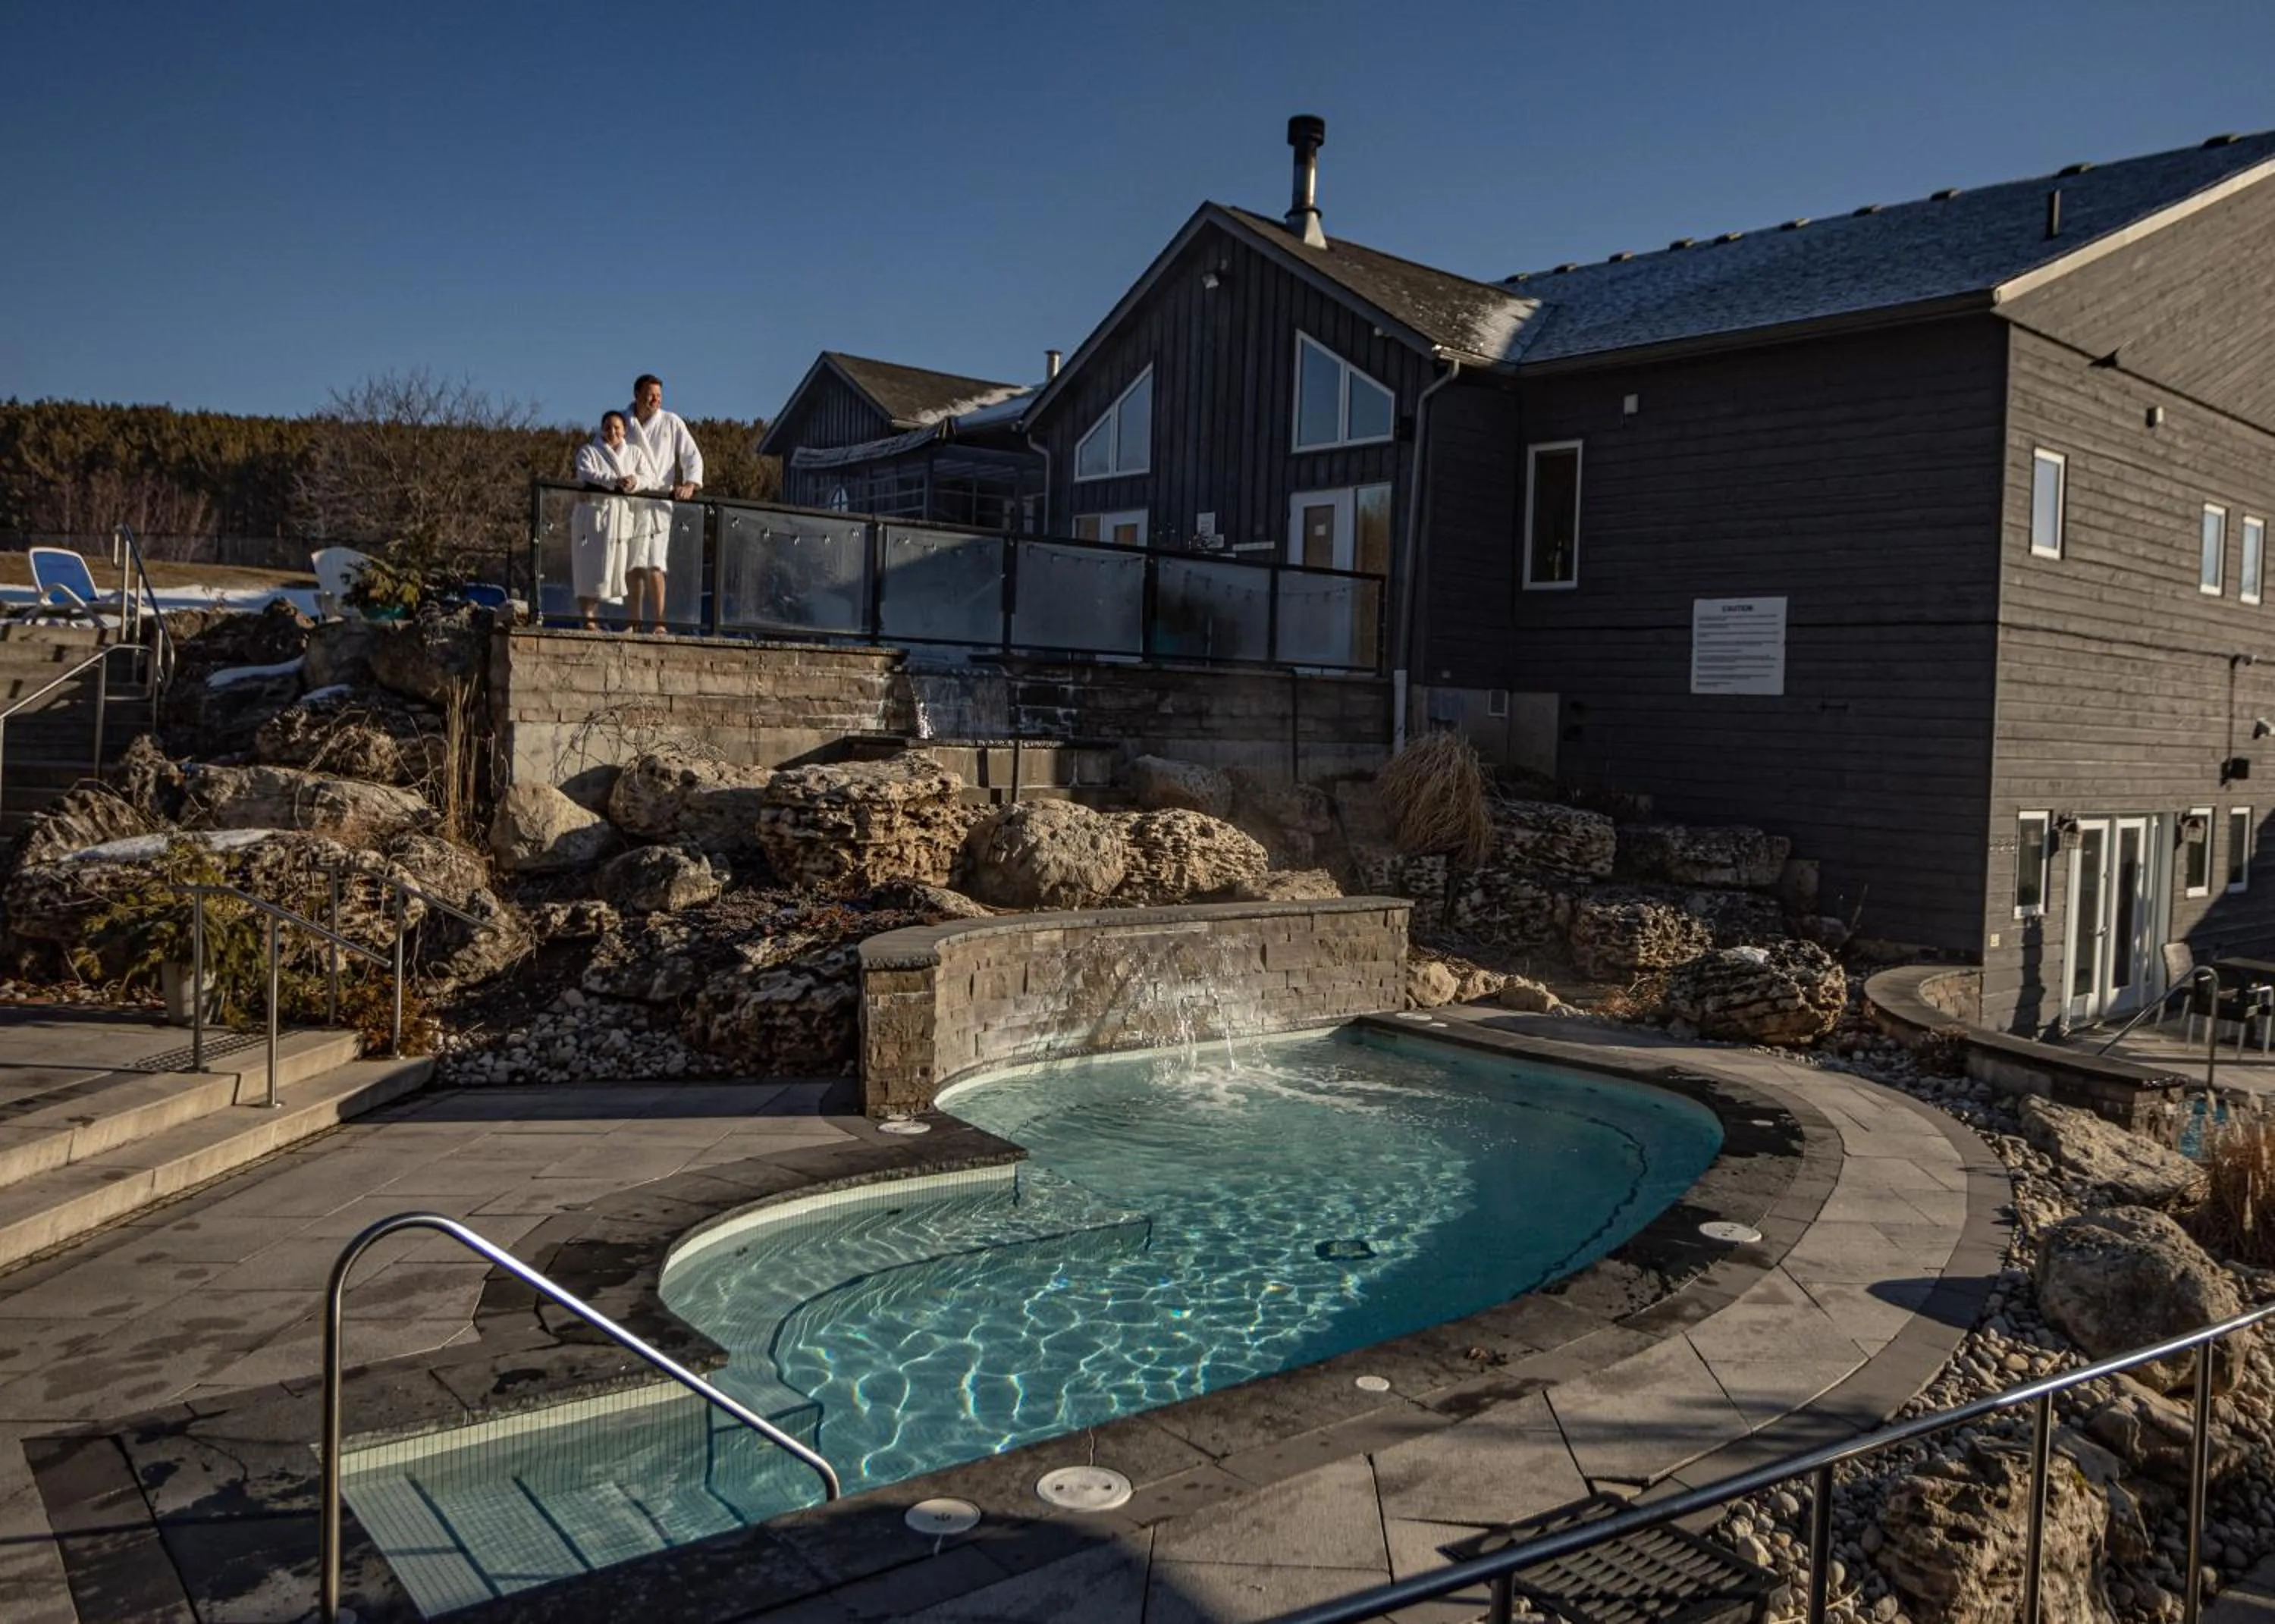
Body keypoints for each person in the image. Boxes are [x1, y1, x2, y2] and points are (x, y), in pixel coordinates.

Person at [623, 373, 704, 634]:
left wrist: (690, 484)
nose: (656, 399)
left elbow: (691, 455)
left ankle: (659, 622)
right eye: (650, 394)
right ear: (637, 394)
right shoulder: (622, 422)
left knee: (655, 564)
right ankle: (633, 621)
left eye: (659, 395)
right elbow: (603, 451)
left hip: (658, 501)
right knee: (633, 565)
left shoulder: (671, 422)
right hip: (629, 502)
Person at [570, 411, 646, 628]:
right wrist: (615, 481)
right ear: (601, 429)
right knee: (588, 567)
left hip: (620, 518)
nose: (612, 432)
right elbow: (586, 473)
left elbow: (648, 476)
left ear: (624, 430)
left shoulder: (634, 453)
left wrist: (635, 481)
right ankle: (588, 618)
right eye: (608, 427)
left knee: (616, 569)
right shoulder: (589, 451)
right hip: (593, 516)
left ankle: (628, 622)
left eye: (617, 428)